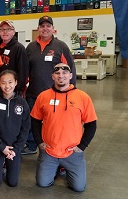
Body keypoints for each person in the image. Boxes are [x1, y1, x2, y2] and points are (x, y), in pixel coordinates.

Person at [31, 63, 97, 192]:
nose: (61, 75)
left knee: (78, 187)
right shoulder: (43, 96)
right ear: (52, 76)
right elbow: (35, 121)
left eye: (65, 72)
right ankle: (56, 167)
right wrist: (39, 143)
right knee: (42, 183)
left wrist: (82, 146)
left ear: (71, 75)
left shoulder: (82, 97)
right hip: (49, 151)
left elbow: (91, 125)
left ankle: (64, 167)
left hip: (72, 152)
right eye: (57, 73)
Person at [23, 15, 77, 155]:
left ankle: (54, 147)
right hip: (33, 93)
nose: (45, 29)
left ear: (53, 29)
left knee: (54, 123)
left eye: (48, 26)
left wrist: (72, 91)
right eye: (42, 26)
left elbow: (70, 68)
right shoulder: (31, 47)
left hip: (55, 94)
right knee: (32, 121)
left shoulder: (60, 46)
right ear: (38, 29)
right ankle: (31, 145)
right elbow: (26, 70)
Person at [0, 70, 30, 187]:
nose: (7, 86)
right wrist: (2, 147)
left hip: (14, 147)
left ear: (15, 83)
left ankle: (5, 165)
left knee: (12, 182)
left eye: (10, 82)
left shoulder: (22, 103)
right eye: (3, 82)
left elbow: (25, 128)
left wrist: (17, 148)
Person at [0, 20, 28, 95]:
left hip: (13, 90)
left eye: (8, 29)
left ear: (13, 32)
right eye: (3, 29)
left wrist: (18, 89)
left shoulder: (19, 48)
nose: (5, 32)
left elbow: (23, 72)